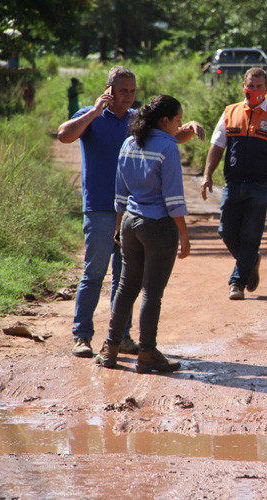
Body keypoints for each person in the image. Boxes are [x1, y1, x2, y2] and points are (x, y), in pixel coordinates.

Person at [57, 66, 204, 358]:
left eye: (133, 90)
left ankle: (120, 337)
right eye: (123, 90)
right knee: (94, 272)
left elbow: (167, 140)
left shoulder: (138, 120)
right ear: (109, 90)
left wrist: (188, 126)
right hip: (100, 207)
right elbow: (64, 135)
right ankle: (82, 335)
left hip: (131, 212)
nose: (128, 96)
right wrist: (95, 113)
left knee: (124, 277)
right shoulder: (92, 115)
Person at [95, 95, 194, 373]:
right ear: (164, 120)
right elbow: (173, 197)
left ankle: (110, 348)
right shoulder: (168, 147)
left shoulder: (129, 143)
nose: (179, 126)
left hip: (130, 223)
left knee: (126, 287)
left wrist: (118, 225)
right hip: (158, 227)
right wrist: (184, 234)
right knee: (152, 292)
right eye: (177, 120)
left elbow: (120, 192)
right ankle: (147, 353)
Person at [201, 67, 267, 300]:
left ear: (266, 88)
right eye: (250, 86)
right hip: (233, 182)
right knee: (226, 231)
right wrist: (207, 175)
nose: (254, 90)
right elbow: (217, 146)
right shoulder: (230, 112)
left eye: (259, 86)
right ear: (244, 87)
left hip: (262, 184)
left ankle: (237, 283)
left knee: (251, 234)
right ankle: (250, 260)